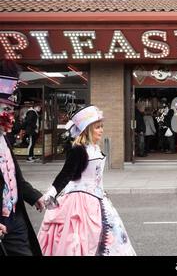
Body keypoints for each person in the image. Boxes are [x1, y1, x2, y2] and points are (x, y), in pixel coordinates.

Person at [37, 105, 136, 256]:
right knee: (78, 240)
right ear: (88, 129)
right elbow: (66, 174)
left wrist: (103, 193)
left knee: (110, 235)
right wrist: (51, 193)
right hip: (79, 202)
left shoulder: (95, 148)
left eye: (102, 126)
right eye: (97, 127)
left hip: (98, 199)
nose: (101, 130)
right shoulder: (79, 149)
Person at [0, 60, 45, 256]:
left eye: (9, 108)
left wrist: (34, 196)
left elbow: (13, 177)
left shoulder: (4, 138)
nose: (7, 114)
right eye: (3, 108)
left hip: (14, 218)